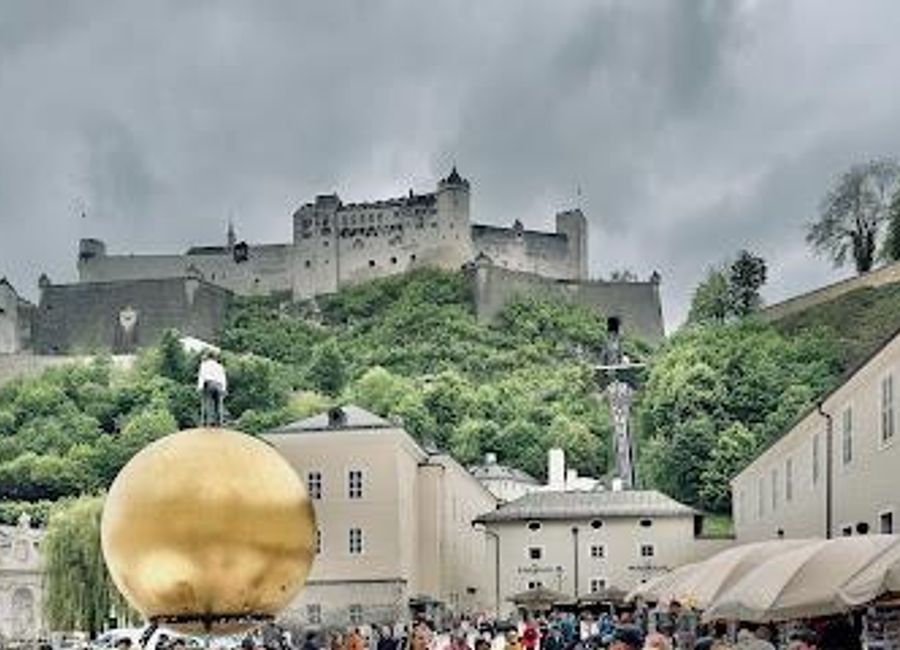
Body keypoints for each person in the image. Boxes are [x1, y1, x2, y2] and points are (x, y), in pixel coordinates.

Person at [197, 349, 227, 426]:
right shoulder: (220, 366)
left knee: (208, 403)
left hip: (209, 384)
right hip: (219, 385)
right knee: (218, 405)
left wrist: (200, 387)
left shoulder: (204, 364)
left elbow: (202, 376)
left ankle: (208, 422)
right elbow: (223, 378)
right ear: (215, 358)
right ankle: (219, 422)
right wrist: (223, 389)